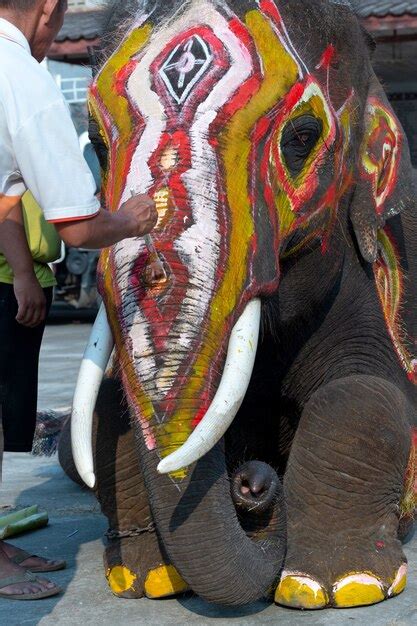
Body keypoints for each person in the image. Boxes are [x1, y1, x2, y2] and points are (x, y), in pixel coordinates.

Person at [0, 0, 157, 600]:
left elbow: (6, 203)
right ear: (47, 9)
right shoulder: (24, 81)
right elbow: (79, 226)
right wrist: (134, 219)